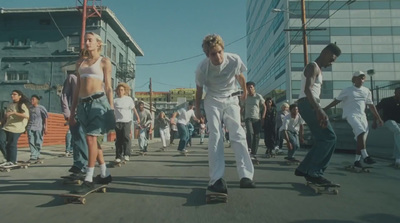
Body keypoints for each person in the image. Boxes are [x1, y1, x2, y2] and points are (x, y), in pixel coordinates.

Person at [195, 34, 255, 192]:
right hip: (212, 100)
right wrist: (197, 109)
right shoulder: (202, 68)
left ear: (223, 49)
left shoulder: (234, 59)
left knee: (238, 134)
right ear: (208, 55)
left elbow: (240, 76)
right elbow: (199, 90)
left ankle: (246, 176)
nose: (218, 56)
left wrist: (244, 92)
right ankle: (216, 179)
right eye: (213, 54)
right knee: (216, 135)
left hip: (230, 98)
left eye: (220, 52)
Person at [69, 32, 115, 192]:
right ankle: (105, 173)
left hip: (98, 103)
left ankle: (89, 176)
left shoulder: (104, 61)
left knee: (90, 138)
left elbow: (108, 86)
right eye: (85, 40)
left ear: (98, 43)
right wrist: (72, 110)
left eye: (90, 40)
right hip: (83, 105)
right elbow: (77, 89)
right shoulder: (80, 63)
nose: (87, 43)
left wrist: (111, 108)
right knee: (94, 141)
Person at [295, 43, 341, 185]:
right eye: (331, 59)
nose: (331, 63)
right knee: (329, 137)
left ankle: (304, 169)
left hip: (308, 104)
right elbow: (308, 90)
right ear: (325, 52)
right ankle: (315, 172)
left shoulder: (317, 69)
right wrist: (318, 109)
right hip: (308, 104)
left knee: (322, 139)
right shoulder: (313, 67)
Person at [324, 71, 383, 168]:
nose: (361, 80)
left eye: (363, 78)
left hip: (362, 116)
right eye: (359, 78)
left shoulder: (367, 91)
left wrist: (378, 118)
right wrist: (324, 109)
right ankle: (366, 156)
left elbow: (371, 105)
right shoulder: (347, 90)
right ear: (354, 79)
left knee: (361, 139)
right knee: (360, 132)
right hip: (351, 115)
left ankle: (357, 161)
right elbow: (337, 101)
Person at [61, 49, 89, 175]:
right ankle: (78, 165)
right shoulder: (72, 78)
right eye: (81, 59)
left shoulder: (92, 78)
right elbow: (64, 96)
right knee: (77, 139)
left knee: (86, 140)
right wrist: (66, 113)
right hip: (75, 113)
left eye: (86, 60)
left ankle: (85, 166)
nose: (83, 62)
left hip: (89, 113)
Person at [0, 90, 30, 167]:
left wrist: (14, 113)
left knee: (11, 144)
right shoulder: (9, 105)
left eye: (14, 94)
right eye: (12, 94)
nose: (12, 96)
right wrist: (2, 121)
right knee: (1, 141)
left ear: (19, 96)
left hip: (17, 127)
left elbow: (26, 116)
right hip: (7, 126)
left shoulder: (22, 105)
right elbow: (6, 116)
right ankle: (8, 159)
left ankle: (12, 161)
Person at [114, 82, 140, 162]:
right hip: (117, 121)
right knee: (119, 139)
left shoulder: (129, 99)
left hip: (127, 121)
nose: (120, 91)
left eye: (122, 90)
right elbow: (112, 111)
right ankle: (118, 156)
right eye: (119, 90)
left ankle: (127, 154)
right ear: (117, 91)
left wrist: (138, 117)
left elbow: (133, 109)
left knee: (126, 137)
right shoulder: (114, 100)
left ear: (125, 91)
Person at [375, 87, 400, 167]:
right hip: (388, 121)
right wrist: (376, 120)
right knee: (397, 131)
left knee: (398, 136)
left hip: (399, 122)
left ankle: (398, 160)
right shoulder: (386, 100)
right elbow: (375, 109)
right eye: (398, 93)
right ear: (395, 93)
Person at [243, 81, 266, 158]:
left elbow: (264, 107)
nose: (250, 89)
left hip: (257, 118)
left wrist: (263, 117)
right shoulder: (245, 97)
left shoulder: (258, 96)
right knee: (250, 133)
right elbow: (242, 108)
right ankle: (249, 148)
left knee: (256, 136)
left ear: (254, 88)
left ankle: (254, 153)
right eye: (248, 87)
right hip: (248, 118)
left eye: (251, 87)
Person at [26, 95, 48, 162]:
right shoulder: (29, 108)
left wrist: (45, 127)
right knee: (31, 142)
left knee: (38, 142)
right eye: (31, 99)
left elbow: (45, 117)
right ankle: (33, 156)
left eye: (33, 99)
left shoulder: (41, 108)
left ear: (37, 100)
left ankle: (37, 155)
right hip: (30, 127)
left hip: (38, 128)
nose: (31, 100)